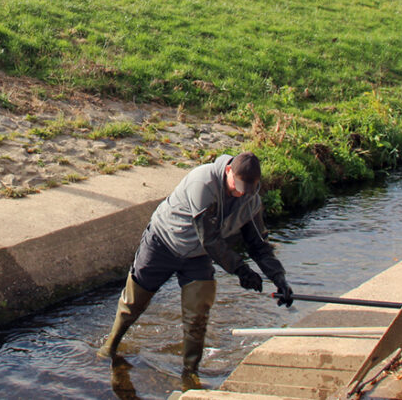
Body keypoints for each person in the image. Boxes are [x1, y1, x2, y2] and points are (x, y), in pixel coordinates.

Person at [97, 151, 294, 385]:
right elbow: (209, 238)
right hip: (163, 242)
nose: (240, 193)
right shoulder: (203, 182)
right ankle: (109, 348)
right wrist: (241, 270)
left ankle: (189, 373)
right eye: (237, 186)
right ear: (228, 171)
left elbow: (258, 245)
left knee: (197, 315)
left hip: (197, 256)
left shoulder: (250, 199)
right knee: (133, 302)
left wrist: (279, 278)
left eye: (247, 190)